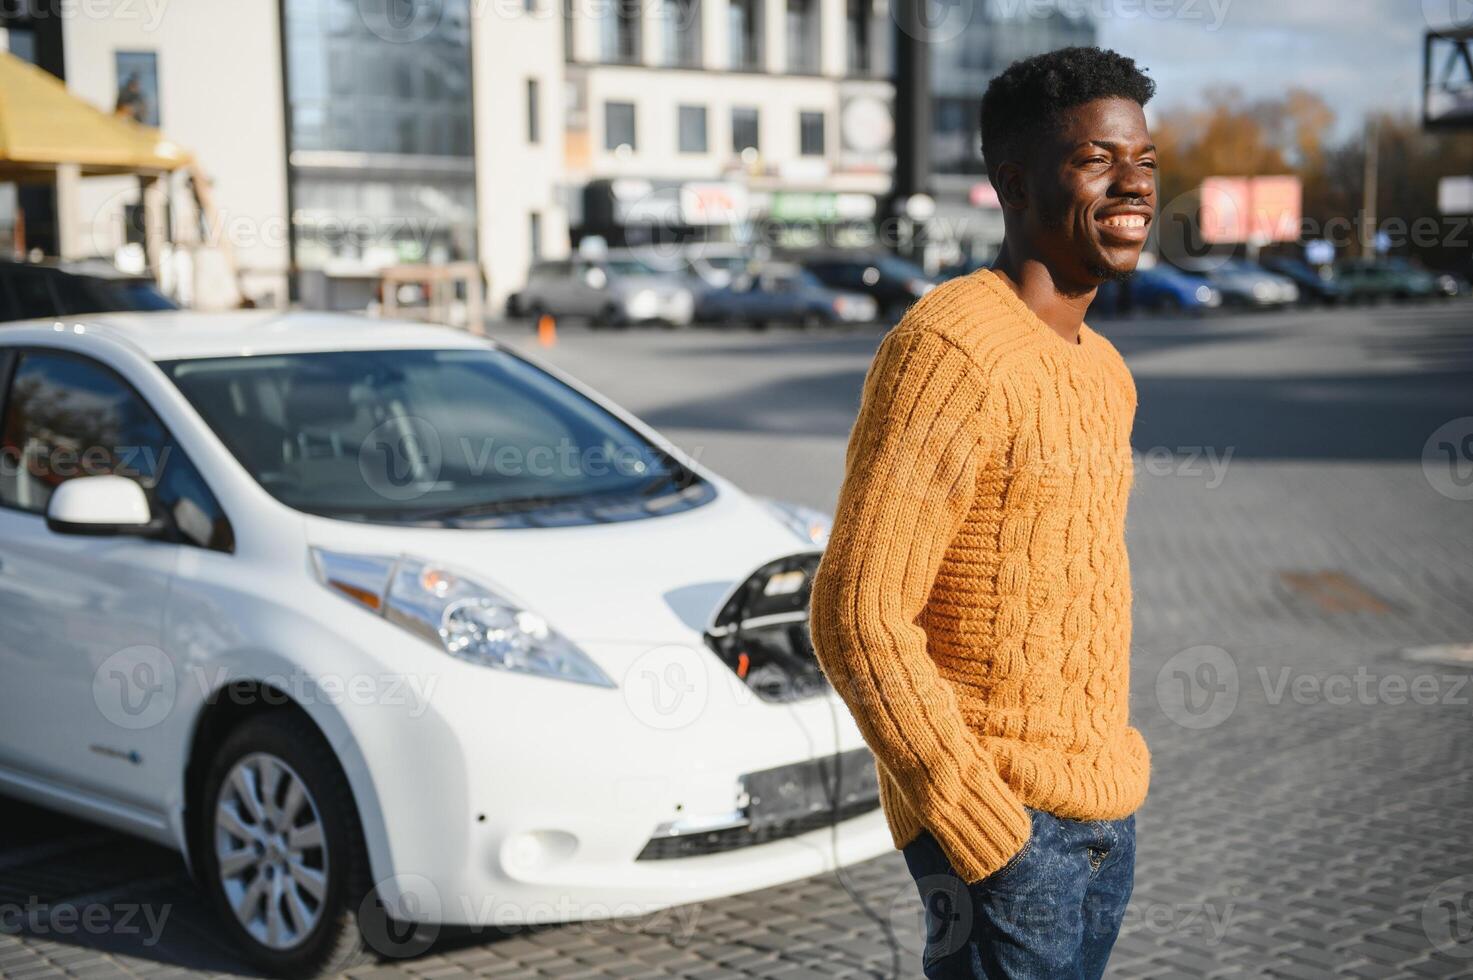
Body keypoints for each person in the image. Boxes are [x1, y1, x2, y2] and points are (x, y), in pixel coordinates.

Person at [808, 46, 1157, 979]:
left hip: (1103, 812)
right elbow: (855, 610)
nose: (1132, 184)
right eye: (1096, 159)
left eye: (1144, 160)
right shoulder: (950, 350)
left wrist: (1108, 773)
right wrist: (972, 816)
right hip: (1002, 832)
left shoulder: (1103, 369)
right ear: (1012, 183)